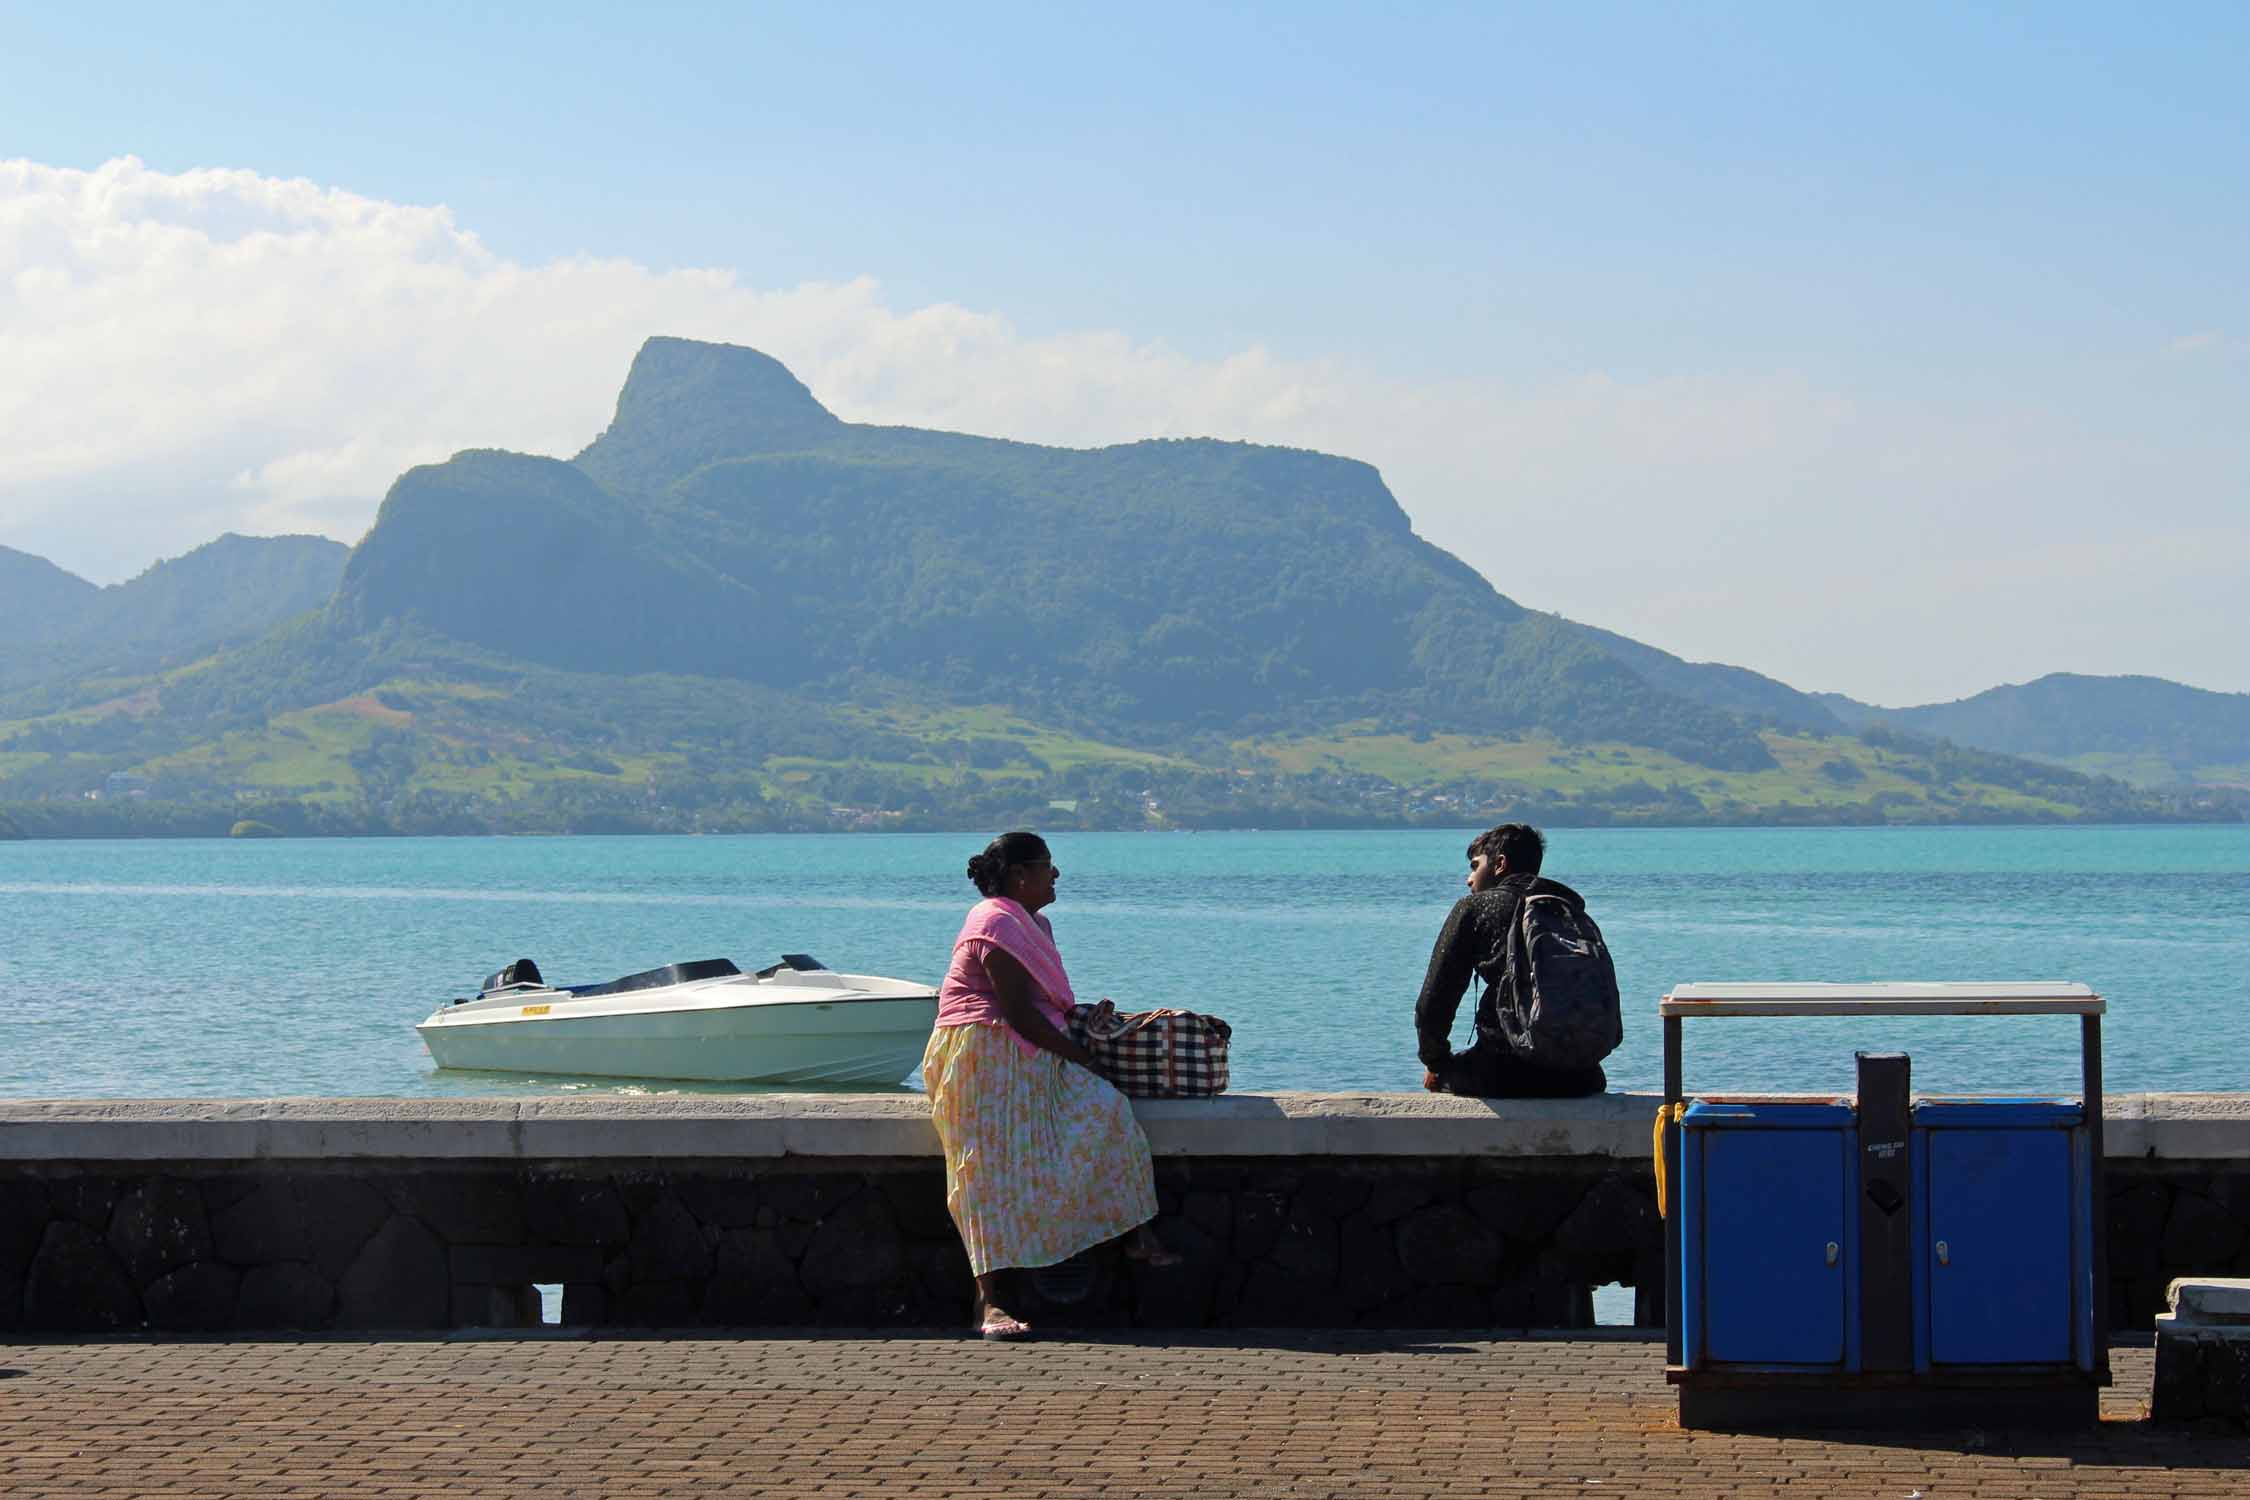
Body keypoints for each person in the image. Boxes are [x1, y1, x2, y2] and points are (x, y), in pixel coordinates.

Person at [923, 830, 1178, 1341]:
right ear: (1021, 876)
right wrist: (1080, 1056)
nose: (1055, 874)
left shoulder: (1034, 924)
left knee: (1107, 1112)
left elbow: (1038, 1014)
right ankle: (988, 1301)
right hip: (980, 1053)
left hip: (1026, 1052)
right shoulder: (994, 922)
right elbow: (1016, 1012)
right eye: (1047, 866)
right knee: (984, 1170)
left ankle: (1134, 1233)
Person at [1413, 823, 1610, 1098]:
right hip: (1581, 1078)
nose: (1469, 879)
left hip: (1503, 1073)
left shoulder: (1474, 907)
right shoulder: (1568, 913)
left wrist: (1436, 1062)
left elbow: (1433, 1004)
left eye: (1474, 866)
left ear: (1500, 864)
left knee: (1443, 1077)